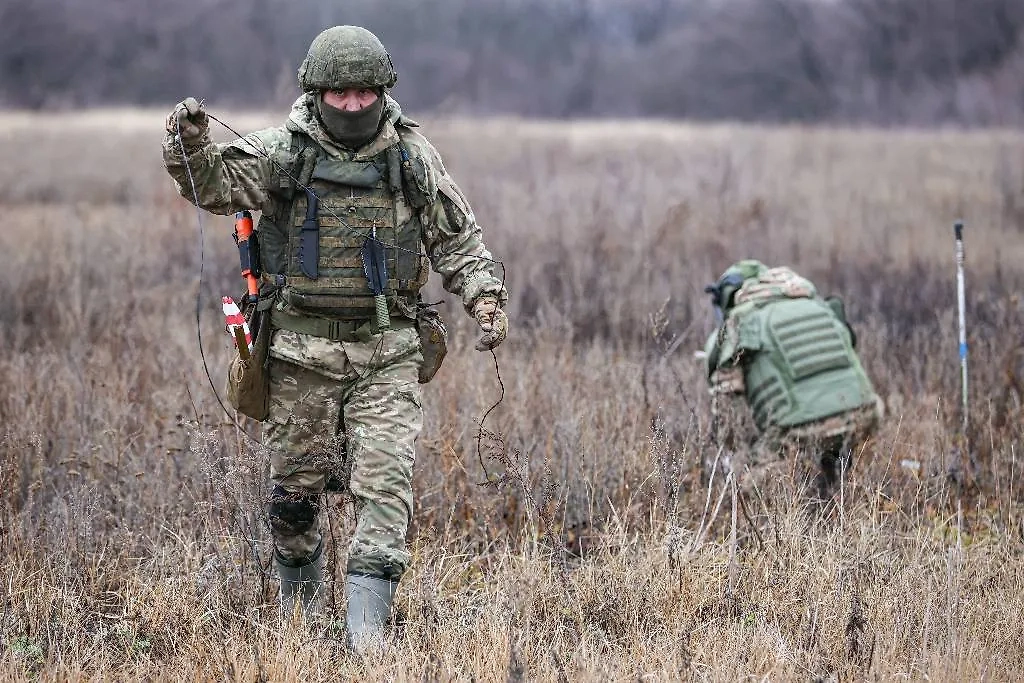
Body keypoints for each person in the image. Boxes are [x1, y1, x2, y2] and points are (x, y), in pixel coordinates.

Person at [161, 26, 509, 651]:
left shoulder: (411, 158)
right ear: (317, 93)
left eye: (364, 93)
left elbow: (457, 239)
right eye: (339, 94)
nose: (352, 104)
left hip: (388, 353)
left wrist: (486, 299)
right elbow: (211, 184)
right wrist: (188, 142)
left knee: (386, 488)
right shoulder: (282, 152)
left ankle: (365, 639)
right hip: (299, 356)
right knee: (294, 499)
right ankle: (300, 626)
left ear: (383, 91)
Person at [701, 260, 881, 501]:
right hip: (865, 417)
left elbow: (728, 413)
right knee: (837, 459)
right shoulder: (816, 304)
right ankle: (842, 482)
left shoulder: (738, 323)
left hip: (799, 434)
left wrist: (743, 451)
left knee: (746, 489)